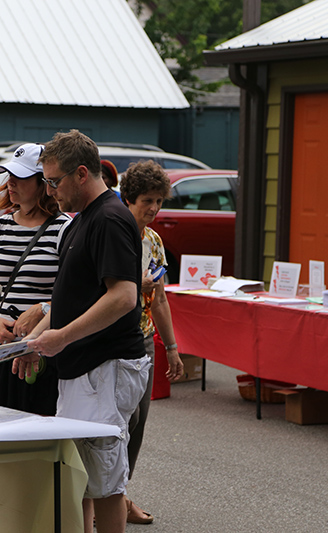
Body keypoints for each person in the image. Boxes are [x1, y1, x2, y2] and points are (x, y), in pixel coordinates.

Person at [16, 130, 150, 533]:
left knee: (106, 481)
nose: (49, 190)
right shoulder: (82, 220)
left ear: (80, 174)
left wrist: (61, 337)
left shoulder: (109, 218)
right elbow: (71, 298)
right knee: (81, 476)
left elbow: (124, 296)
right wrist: (37, 339)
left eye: (54, 181)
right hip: (83, 369)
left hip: (105, 367)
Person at [0, 143, 71, 415]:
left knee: (40, 431)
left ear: (44, 182)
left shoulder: (65, 228)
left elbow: (73, 295)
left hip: (44, 355)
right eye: (9, 175)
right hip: (2, 353)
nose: (11, 182)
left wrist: (44, 310)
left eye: (20, 176)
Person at [119, 160, 185, 524]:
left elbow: (159, 299)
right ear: (129, 198)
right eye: (148, 200)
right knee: (122, 421)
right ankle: (109, 497)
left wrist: (171, 347)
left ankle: (120, 494)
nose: (154, 208)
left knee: (140, 420)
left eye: (159, 201)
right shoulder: (115, 232)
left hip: (143, 337)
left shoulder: (154, 241)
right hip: (112, 339)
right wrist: (134, 284)